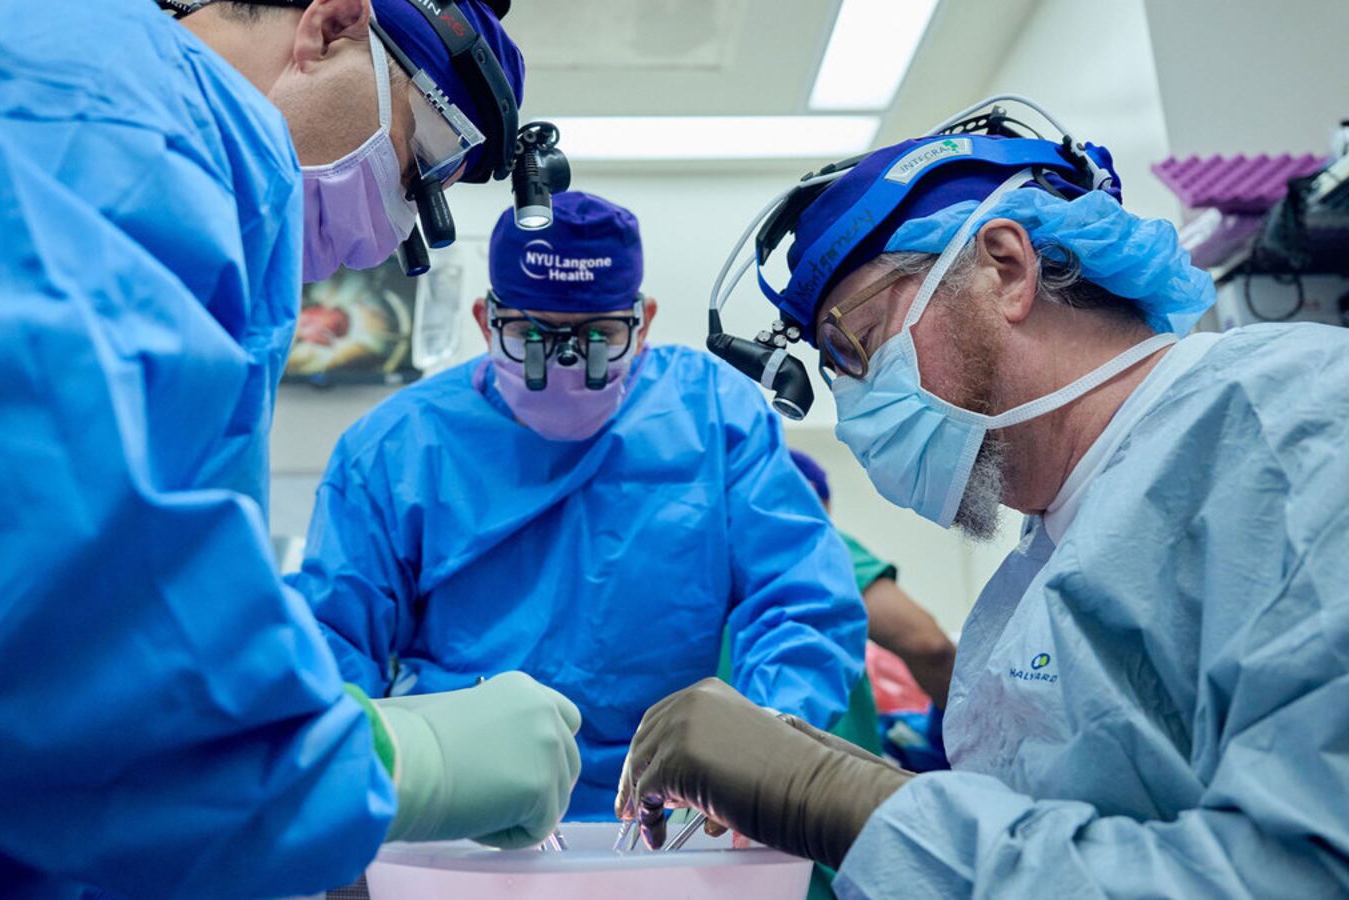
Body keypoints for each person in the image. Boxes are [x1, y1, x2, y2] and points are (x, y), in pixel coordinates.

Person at [0, 1, 583, 897]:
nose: (386, 234)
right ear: (333, 25)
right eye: (416, 166)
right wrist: (392, 757)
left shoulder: (72, 109)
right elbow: (51, 671)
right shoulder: (82, 122)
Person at [617, 98, 1349, 897]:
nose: (855, 415)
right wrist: (843, 776)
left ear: (1004, 268)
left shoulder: (1298, 425)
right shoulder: (1045, 568)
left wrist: (845, 803)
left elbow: (1298, 874)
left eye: (856, 349)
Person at [290, 191, 868, 820]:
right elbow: (337, 640)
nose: (564, 368)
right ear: (485, 323)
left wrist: (763, 748)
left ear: (643, 325)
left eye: (598, 340)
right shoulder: (395, 447)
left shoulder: (712, 414)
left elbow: (800, 599)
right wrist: (377, 785)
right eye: (531, 339)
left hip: (665, 806)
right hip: (464, 802)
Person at [787, 450, 955, 710]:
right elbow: (929, 647)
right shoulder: (815, 544)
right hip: (807, 746)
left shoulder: (715, 554)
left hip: (717, 744)